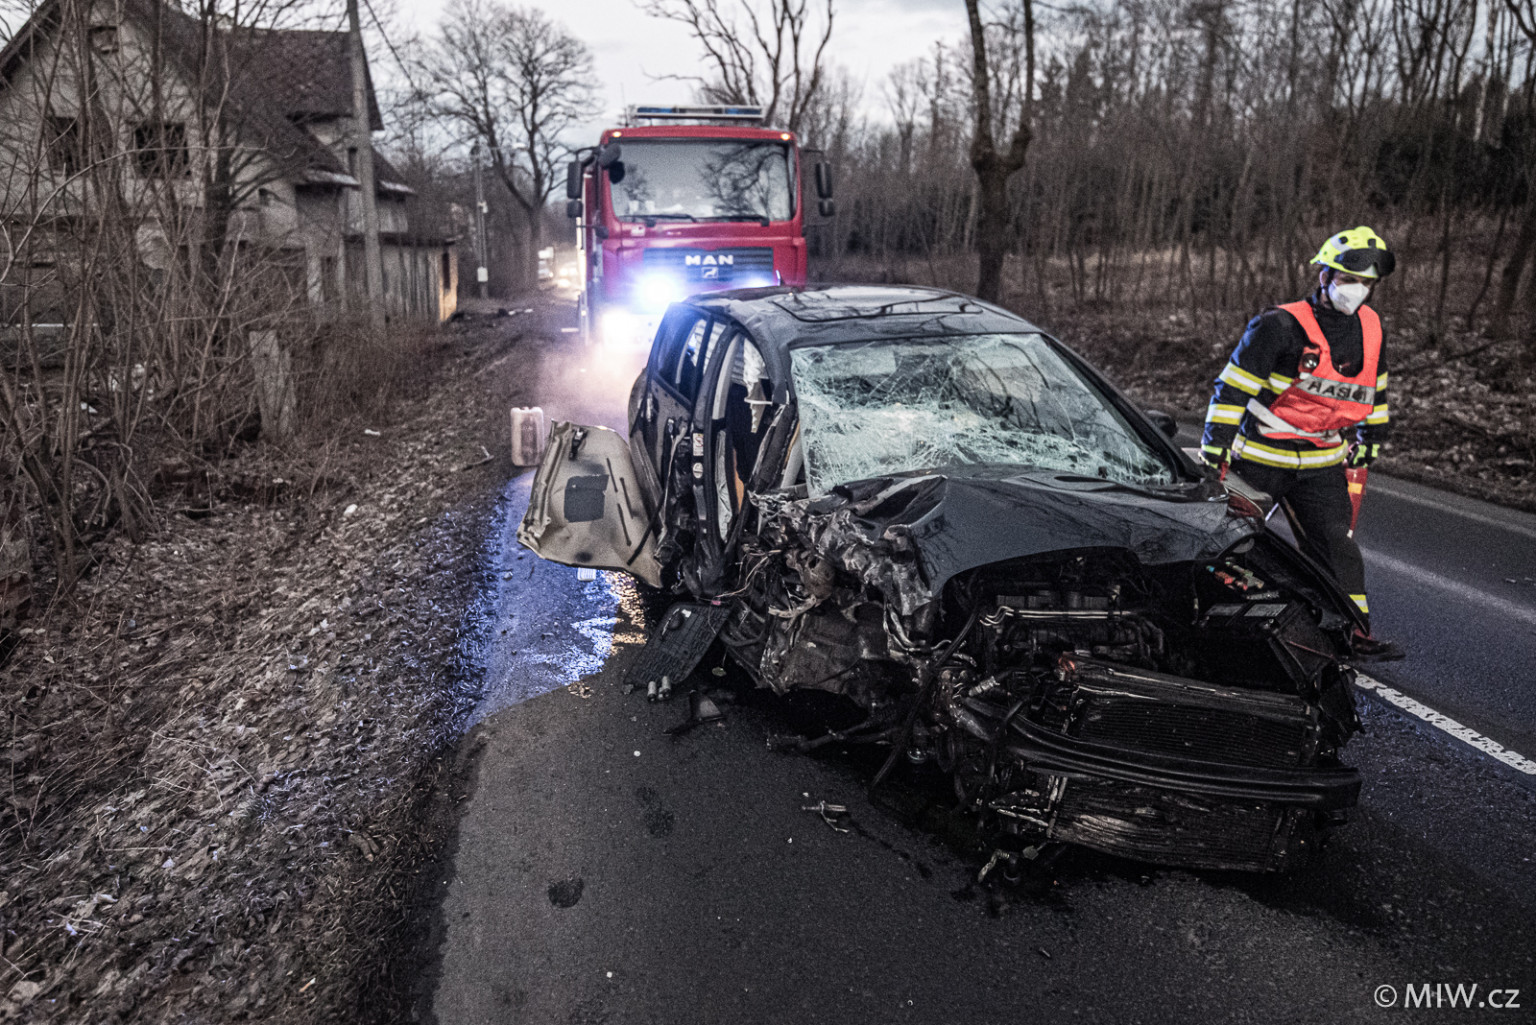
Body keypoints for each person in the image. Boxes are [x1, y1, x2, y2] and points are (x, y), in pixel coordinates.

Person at [1201, 226, 1404, 662]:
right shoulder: (1279, 326)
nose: (1357, 291)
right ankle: (1207, 624)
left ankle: (1350, 632)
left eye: (1367, 283)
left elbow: (1377, 386)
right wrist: (1214, 450)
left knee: (1337, 548)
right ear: (1325, 277)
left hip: (1322, 461)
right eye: (1349, 280)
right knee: (1227, 541)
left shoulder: (1371, 327)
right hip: (1259, 456)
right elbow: (1231, 390)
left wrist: (1373, 436)